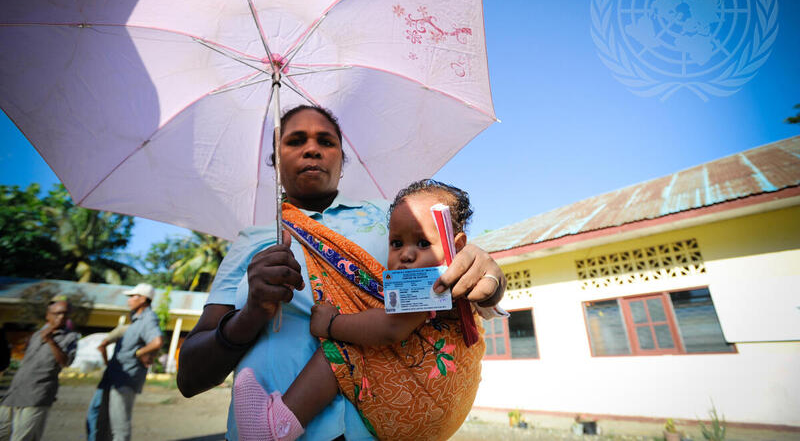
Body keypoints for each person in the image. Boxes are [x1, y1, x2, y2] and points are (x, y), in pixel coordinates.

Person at [177, 105, 507, 441]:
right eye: (294, 141)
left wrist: (491, 278)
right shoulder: (251, 241)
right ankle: (272, 425)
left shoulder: (394, 216)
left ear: (342, 160)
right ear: (276, 162)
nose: (311, 148)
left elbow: (455, 265)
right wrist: (251, 314)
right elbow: (189, 378)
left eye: (326, 141)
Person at [234, 179, 488, 440]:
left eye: (423, 243)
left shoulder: (433, 282)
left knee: (342, 350)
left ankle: (276, 426)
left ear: (455, 246)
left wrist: (332, 325)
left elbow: (391, 328)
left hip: (421, 403)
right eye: (397, 243)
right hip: (437, 411)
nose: (406, 255)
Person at [86, 284, 163, 441]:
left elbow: (157, 342)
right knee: (98, 416)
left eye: (132, 296)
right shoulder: (134, 321)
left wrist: (139, 353)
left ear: (143, 299)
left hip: (125, 379)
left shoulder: (148, 319)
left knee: (119, 426)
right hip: (112, 376)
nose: (129, 300)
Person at [0, 298, 79, 441]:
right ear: (48, 316)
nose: (61, 317)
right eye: (57, 314)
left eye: (65, 314)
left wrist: (51, 341)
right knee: (3, 433)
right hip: (14, 392)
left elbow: (65, 362)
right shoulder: (36, 335)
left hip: (37, 394)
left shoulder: (70, 337)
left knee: (23, 437)